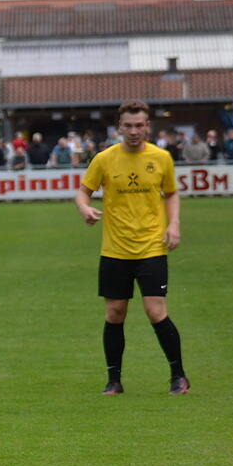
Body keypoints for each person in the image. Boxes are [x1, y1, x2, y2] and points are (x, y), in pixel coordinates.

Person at [74, 99, 188, 396]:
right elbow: (82, 192)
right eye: (128, 126)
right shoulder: (104, 159)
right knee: (114, 313)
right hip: (115, 249)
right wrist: (84, 209)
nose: (134, 131)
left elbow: (172, 193)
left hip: (151, 246)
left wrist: (173, 224)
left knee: (155, 311)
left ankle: (178, 376)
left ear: (147, 126)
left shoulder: (161, 157)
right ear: (119, 127)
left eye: (139, 125)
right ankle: (114, 380)